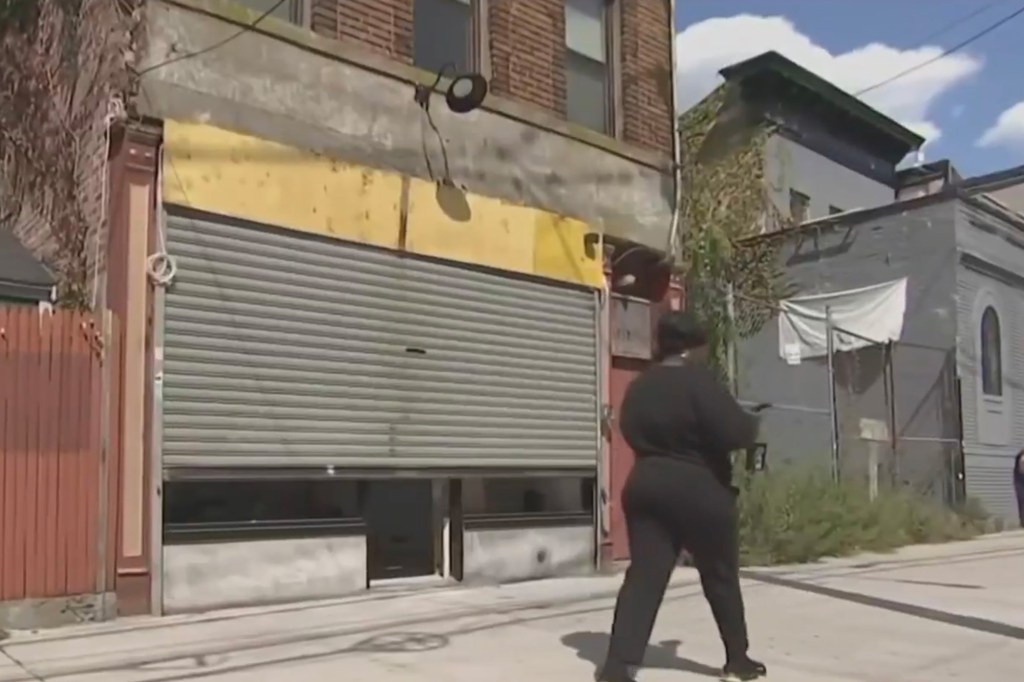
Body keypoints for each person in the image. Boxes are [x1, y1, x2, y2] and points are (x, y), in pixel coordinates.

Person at [599, 311, 766, 682]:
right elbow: (736, 432)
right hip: (699, 488)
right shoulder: (699, 382)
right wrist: (751, 420)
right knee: (719, 575)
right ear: (695, 347)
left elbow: (628, 427)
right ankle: (737, 659)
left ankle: (617, 665)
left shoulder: (639, 387)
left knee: (644, 576)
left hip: (646, 484)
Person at [1015, 449, 1024, 527]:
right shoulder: (1021, 457)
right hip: (1020, 483)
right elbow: (1021, 470)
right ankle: (1022, 522)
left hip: (1019, 482)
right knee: (1021, 502)